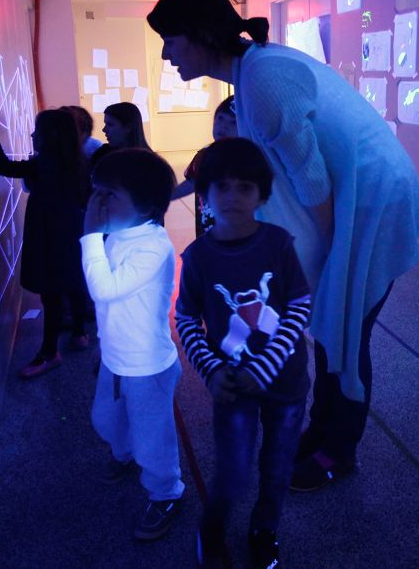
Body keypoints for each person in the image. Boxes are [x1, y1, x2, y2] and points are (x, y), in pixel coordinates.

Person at [148, 0, 419, 492]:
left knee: (343, 330)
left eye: (170, 39)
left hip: (368, 204)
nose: (166, 54)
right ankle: (323, 430)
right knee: (329, 327)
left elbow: (313, 183)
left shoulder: (263, 80)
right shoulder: (251, 74)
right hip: (351, 200)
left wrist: (328, 262)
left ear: (199, 33)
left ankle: (336, 451)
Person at [174, 137, 312, 568]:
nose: (233, 197)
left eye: (245, 188)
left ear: (262, 195)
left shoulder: (278, 245)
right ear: (206, 193)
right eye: (223, 187)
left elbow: (298, 306)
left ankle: (264, 530)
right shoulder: (197, 257)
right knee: (232, 472)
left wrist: (267, 366)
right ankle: (212, 530)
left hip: (285, 386)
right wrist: (212, 371)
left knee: (277, 469)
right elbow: (185, 320)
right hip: (231, 388)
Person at [81, 148, 184, 541]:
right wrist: (104, 347)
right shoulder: (119, 234)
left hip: (148, 367)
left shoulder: (154, 247)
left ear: (147, 206)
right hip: (115, 358)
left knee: (152, 439)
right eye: (97, 192)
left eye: (109, 195)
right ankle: (124, 455)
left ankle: (167, 492)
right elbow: (114, 312)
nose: (98, 203)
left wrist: (89, 235)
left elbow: (103, 290)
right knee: (104, 419)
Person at [0, 109, 92, 378]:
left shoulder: (42, 164)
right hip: (72, 237)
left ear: (50, 136)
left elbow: (4, 166)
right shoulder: (76, 163)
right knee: (73, 283)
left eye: (37, 131)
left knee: (51, 294)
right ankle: (79, 332)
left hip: (48, 239)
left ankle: (50, 352)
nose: (31, 135)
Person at [173, 95, 238, 237]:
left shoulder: (248, 156)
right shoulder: (205, 154)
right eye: (220, 118)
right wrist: (168, 196)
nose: (223, 126)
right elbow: (193, 182)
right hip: (207, 227)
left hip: (236, 229)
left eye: (233, 123)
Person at [89, 101, 151, 170]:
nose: (104, 129)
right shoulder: (102, 154)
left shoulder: (149, 161)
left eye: (110, 125)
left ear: (128, 127)